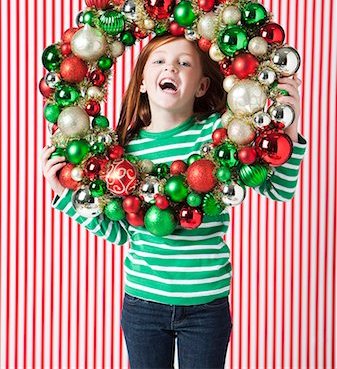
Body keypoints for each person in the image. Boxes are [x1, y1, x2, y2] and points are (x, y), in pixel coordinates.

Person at [41, 33, 307, 369]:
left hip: (207, 307)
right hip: (142, 305)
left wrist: (289, 126)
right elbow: (121, 232)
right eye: (160, 61)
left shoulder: (220, 134)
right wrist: (65, 194)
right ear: (141, 82)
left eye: (184, 63)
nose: (172, 68)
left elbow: (279, 190)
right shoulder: (124, 151)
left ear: (200, 86)